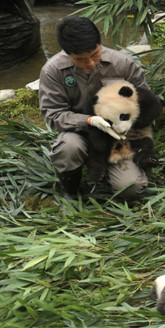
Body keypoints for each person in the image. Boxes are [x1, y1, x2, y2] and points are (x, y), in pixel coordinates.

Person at [39, 16, 154, 200]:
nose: (90, 63)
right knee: (68, 148)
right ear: (67, 53)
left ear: (99, 43)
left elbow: (148, 103)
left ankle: (112, 169)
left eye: (95, 54)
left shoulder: (123, 63)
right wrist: (89, 121)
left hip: (119, 137)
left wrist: (127, 121)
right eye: (81, 59)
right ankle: (71, 191)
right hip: (79, 133)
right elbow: (53, 115)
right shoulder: (53, 71)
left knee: (132, 189)